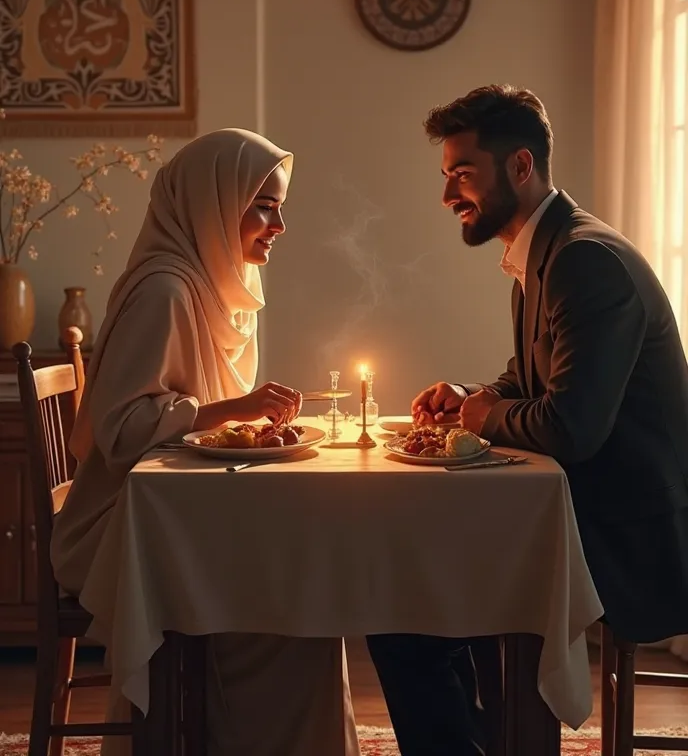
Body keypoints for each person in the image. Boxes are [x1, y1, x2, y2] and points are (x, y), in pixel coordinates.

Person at [367, 84, 688, 756]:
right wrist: (471, 394)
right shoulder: (547, 249)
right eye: (447, 175)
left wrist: (483, 416)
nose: (449, 194)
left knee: (404, 617)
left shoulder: (583, 260)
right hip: (580, 516)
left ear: (519, 166)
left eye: (462, 173)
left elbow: (572, 427)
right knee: (413, 592)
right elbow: (536, 380)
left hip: (629, 536)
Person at [52, 129, 361, 756]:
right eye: (264, 205)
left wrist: (247, 424)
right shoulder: (166, 291)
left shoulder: (207, 285)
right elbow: (120, 430)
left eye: (279, 205)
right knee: (296, 613)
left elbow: (185, 421)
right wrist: (235, 409)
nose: (279, 223)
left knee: (299, 588)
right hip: (124, 531)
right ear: (213, 203)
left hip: (172, 517)